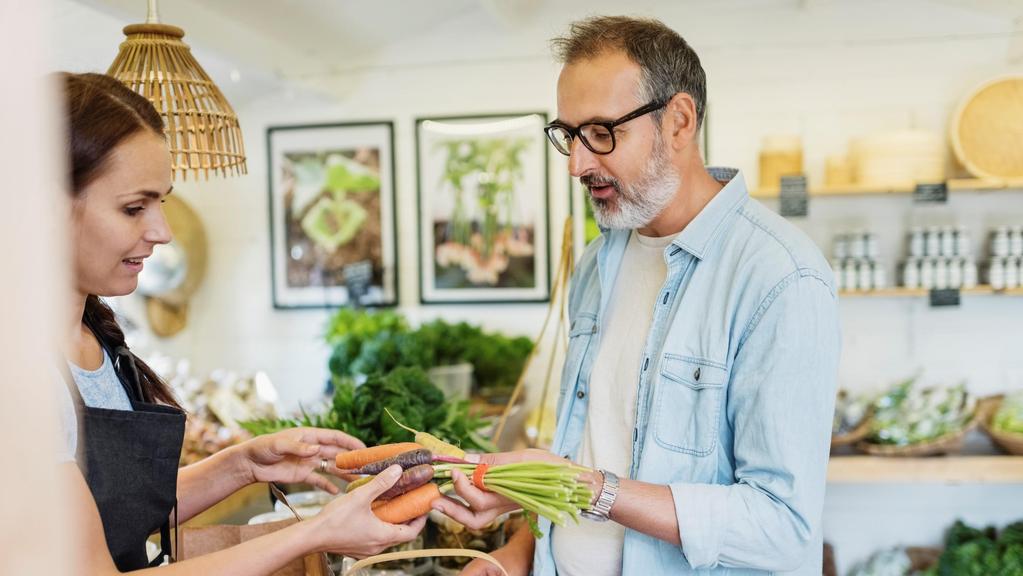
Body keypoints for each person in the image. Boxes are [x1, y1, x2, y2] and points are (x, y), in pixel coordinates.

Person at [434, 16, 841, 576]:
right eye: (569, 135)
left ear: (678, 121)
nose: (578, 163)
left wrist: (579, 486)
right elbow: (594, 447)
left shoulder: (780, 278)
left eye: (602, 132)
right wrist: (517, 556)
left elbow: (782, 529)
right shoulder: (600, 267)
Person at [57, 72, 425, 574]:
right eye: (133, 207)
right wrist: (317, 531)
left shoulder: (97, 343)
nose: (162, 230)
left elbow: (111, 516)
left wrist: (242, 465)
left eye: (161, 201)